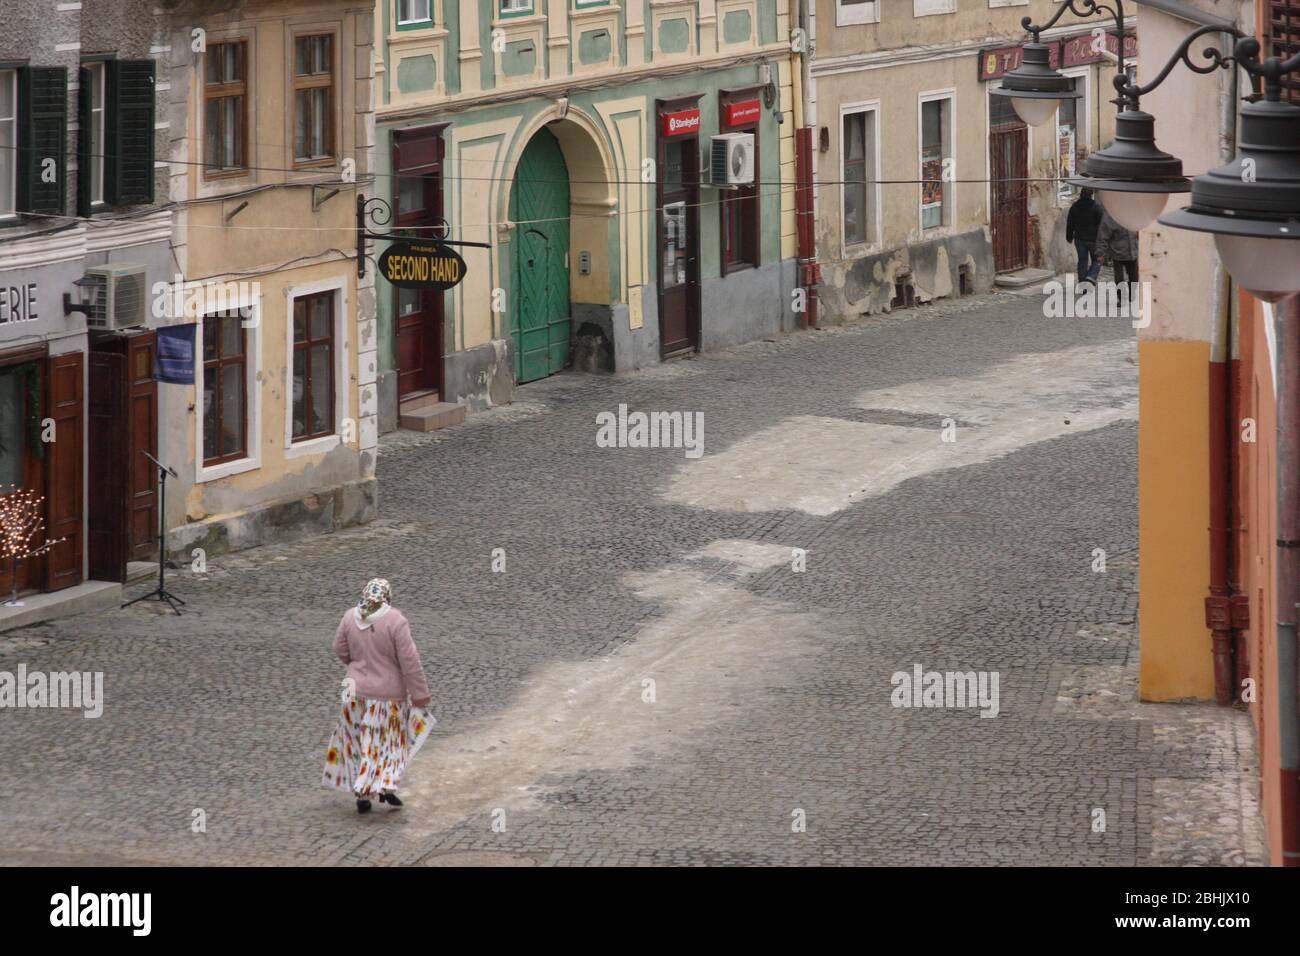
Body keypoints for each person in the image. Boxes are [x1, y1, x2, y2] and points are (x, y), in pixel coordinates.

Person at [323, 578, 434, 814]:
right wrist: (420, 695)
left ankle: (361, 794)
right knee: (386, 745)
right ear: (387, 597)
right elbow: (409, 661)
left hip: (354, 693)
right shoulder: (395, 621)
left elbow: (339, 648)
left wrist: (355, 665)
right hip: (388, 697)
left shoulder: (350, 616)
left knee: (357, 741)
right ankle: (385, 787)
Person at [1065, 188, 1103, 284]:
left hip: (1079, 239)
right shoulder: (1096, 207)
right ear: (1091, 195)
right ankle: (1091, 276)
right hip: (1093, 239)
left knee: (1082, 261)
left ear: (1081, 194)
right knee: (1097, 260)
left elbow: (1070, 222)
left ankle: (1082, 283)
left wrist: (1069, 236)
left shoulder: (1075, 206)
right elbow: (1101, 224)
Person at [1095, 210, 1139, 285]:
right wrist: (1100, 253)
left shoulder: (1135, 212)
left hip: (1133, 253)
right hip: (1117, 254)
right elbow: (1103, 235)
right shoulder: (1111, 215)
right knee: (1119, 280)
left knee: (1134, 279)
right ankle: (1121, 296)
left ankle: (1132, 295)